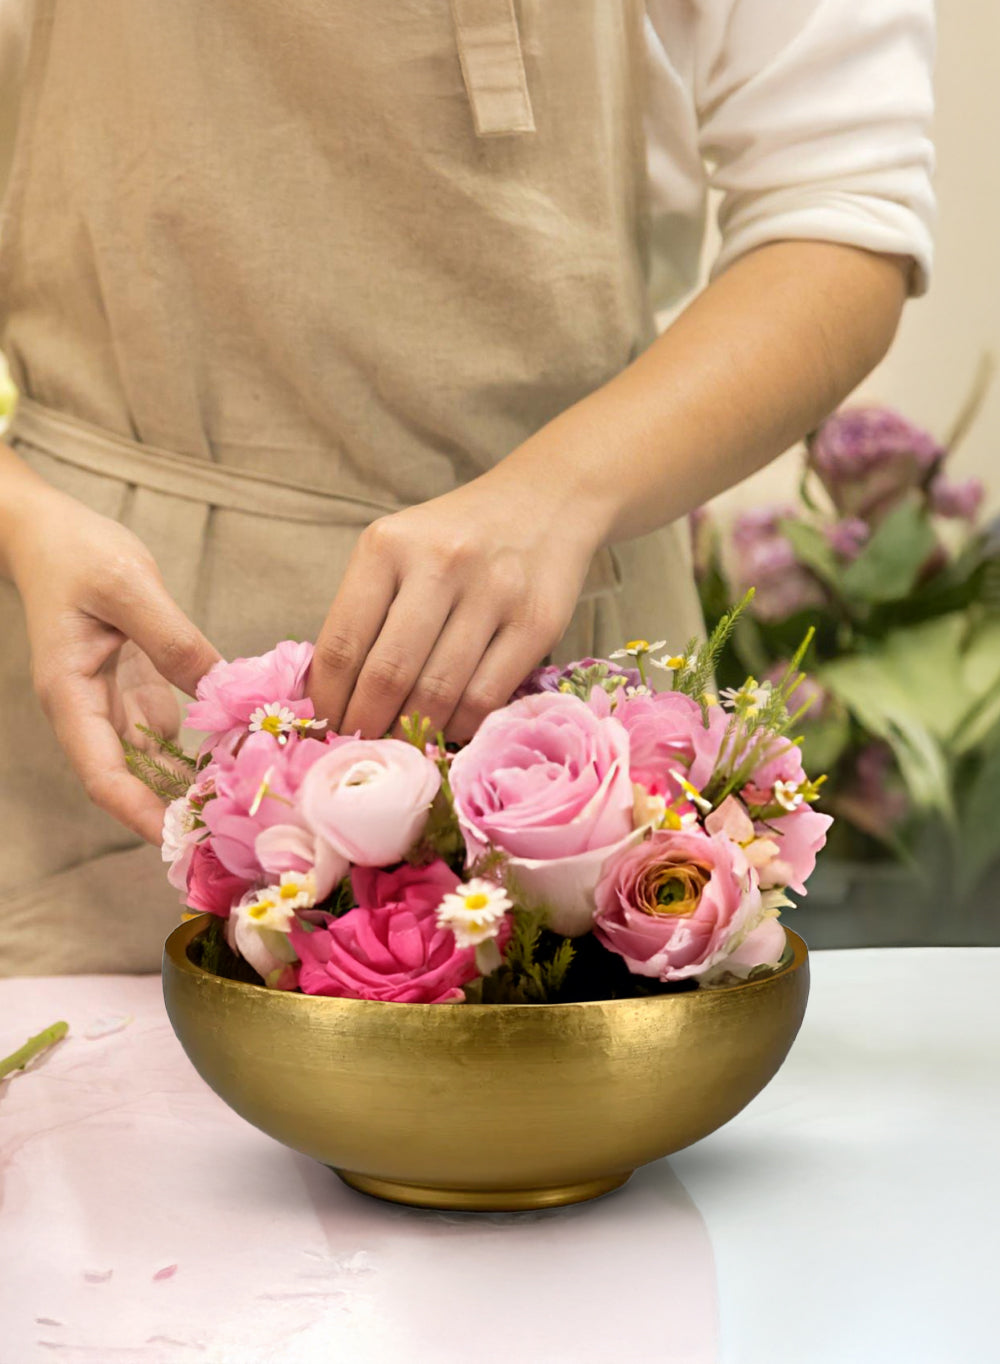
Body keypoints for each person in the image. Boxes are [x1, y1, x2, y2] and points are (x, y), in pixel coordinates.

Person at [0, 0, 934, 975]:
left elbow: (838, 213)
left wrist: (563, 491)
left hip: (573, 663)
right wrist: (20, 517)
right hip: (114, 680)